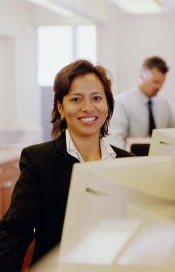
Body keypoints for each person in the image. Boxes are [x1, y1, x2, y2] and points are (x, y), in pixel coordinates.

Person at [0, 59, 133, 271]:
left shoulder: (129, 163)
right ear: (61, 107)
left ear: (108, 105)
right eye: (76, 99)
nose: (88, 108)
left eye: (97, 98)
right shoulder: (39, 160)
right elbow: (15, 232)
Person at [109, 56, 175, 149]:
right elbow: (116, 142)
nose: (159, 87)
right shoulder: (121, 102)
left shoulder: (163, 103)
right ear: (142, 75)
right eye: (155, 82)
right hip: (133, 160)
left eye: (162, 82)